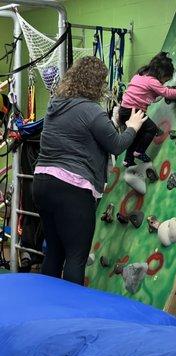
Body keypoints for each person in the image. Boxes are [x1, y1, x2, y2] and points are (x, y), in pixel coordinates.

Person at [33, 56, 147, 285]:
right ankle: (73, 315)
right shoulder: (91, 110)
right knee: (76, 255)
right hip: (72, 189)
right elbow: (115, 144)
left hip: (42, 183)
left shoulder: (56, 104)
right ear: (97, 84)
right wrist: (133, 126)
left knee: (54, 251)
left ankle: (46, 311)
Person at [119, 52, 176, 167]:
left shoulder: (140, 75)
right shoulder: (152, 81)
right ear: (160, 73)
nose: (163, 83)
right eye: (164, 80)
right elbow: (167, 93)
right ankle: (139, 152)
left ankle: (128, 160)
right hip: (133, 111)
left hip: (124, 110)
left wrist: (162, 88)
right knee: (151, 129)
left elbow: (149, 92)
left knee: (136, 135)